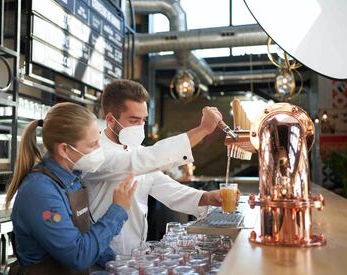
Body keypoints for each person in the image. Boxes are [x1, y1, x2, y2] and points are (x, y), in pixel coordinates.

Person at [7, 101, 223, 274]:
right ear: (65, 149)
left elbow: (84, 232)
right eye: (92, 144)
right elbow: (78, 255)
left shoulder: (73, 177)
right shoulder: (40, 191)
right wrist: (118, 209)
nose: (98, 150)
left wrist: (119, 266)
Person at [83, 79, 238, 255]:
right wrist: (202, 130)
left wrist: (206, 197)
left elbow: (166, 187)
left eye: (143, 120)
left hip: (136, 252)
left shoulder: (136, 150)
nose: (140, 126)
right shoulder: (96, 153)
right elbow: (143, 159)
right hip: (104, 252)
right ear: (111, 120)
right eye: (134, 120)